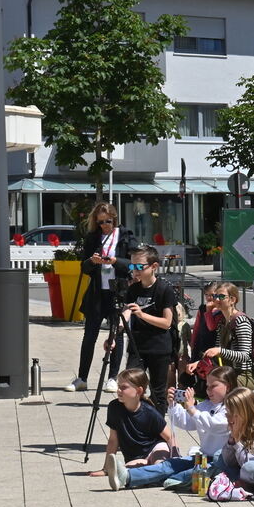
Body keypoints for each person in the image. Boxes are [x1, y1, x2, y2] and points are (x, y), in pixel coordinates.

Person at [106, 366, 239, 491]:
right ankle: (127, 476)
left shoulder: (232, 407)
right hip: (203, 457)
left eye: (214, 386)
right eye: (207, 385)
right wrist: (174, 405)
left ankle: (157, 478)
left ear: (228, 387)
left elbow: (215, 425)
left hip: (222, 462)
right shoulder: (206, 405)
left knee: (183, 475)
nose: (208, 390)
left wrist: (192, 408)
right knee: (170, 465)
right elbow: (187, 423)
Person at [65, 202, 136, 393]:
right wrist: (92, 261)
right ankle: (82, 377)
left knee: (116, 334)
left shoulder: (125, 236)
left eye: (108, 221)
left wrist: (116, 262)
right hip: (97, 292)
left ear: (115, 218)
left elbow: (134, 265)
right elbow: (84, 267)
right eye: (101, 222)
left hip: (117, 291)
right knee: (89, 336)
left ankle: (113, 377)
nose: (104, 225)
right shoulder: (93, 237)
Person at [119, 245, 176, 413]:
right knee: (130, 385)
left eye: (139, 266)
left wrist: (142, 315)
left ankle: (160, 428)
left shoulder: (164, 289)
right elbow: (126, 312)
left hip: (159, 347)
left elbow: (166, 322)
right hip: (137, 346)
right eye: (132, 266)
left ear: (154, 267)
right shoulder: (133, 289)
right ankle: (135, 423)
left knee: (158, 392)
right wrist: (116, 333)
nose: (135, 271)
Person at [101, 368, 177, 484]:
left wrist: (176, 458)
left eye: (124, 387)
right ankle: (151, 476)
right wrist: (106, 468)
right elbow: (113, 440)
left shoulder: (149, 412)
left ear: (139, 391)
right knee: (127, 470)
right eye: (118, 386)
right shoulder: (114, 407)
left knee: (159, 463)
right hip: (136, 457)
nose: (119, 390)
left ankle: (158, 473)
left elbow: (170, 437)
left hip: (155, 448)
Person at [199, 282, 254, 388]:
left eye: (221, 296)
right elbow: (218, 352)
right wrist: (199, 363)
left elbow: (244, 356)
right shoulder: (222, 321)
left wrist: (220, 351)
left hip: (242, 375)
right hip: (228, 372)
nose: (216, 299)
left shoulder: (240, 321)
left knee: (215, 388)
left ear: (232, 300)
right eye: (215, 296)